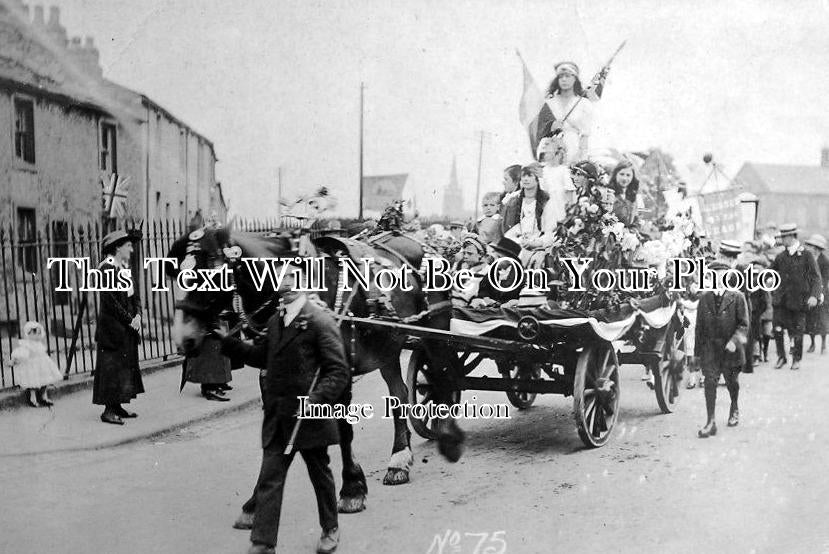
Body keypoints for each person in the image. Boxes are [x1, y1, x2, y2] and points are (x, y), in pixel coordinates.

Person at [218, 257, 349, 554]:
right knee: (270, 478)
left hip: (309, 418)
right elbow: (262, 357)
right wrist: (229, 344)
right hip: (278, 417)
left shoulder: (318, 320)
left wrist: (314, 401)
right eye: (281, 278)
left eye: (292, 277)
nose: (286, 283)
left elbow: (338, 371)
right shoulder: (275, 322)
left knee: (320, 475)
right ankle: (263, 543)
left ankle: (331, 528)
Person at [92, 230, 143, 425]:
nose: (131, 249)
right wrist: (130, 319)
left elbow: (134, 296)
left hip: (127, 327)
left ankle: (117, 406)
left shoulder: (124, 268)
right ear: (117, 248)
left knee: (123, 368)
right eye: (128, 245)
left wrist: (138, 315)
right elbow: (110, 301)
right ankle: (108, 411)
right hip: (113, 330)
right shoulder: (106, 268)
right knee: (111, 369)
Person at [695, 261, 749, 438]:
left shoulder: (738, 297)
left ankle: (734, 407)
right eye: (714, 275)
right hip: (711, 349)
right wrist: (696, 355)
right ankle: (710, 421)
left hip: (731, 349)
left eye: (722, 275)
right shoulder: (704, 299)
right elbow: (699, 329)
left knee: (732, 382)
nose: (718, 279)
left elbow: (744, 326)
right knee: (710, 382)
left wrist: (734, 341)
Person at [770, 223, 822, 370]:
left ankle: (796, 359)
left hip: (799, 301)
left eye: (784, 237)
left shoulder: (806, 255)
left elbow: (816, 278)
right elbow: (770, 272)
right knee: (778, 329)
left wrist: (814, 296)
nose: (782, 240)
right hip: (781, 301)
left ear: (791, 237)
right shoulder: (781, 256)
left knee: (798, 331)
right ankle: (781, 357)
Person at [544, 62, 593, 163]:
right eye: (561, 76)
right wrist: (552, 126)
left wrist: (582, 159)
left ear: (575, 78)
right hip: (552, 148)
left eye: (568, 76)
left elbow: (585, 135)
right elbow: (541, 129)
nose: (564, 79)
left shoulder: (583, 103)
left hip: (573, 147)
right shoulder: (550, 103)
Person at [501, 164, 557, 252]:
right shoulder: (513, 201)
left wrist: (535, 243)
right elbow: (507, 231)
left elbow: (550, 233)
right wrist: (519, 242)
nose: (526, 179)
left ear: (538, 179)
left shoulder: (546, 201)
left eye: (530, 175)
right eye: (523, 175)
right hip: (516, 246)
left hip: (539, 248)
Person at [10, 321, 63, 407]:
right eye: (34, 333)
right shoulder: (26, 344)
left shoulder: (40, 344)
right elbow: (20, 353)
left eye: (39, 333)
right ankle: (33, 398)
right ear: (28, 334)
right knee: (33, 383)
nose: (37, 336)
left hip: (43, 366)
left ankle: (44, 396)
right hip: (32, 367)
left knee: (45, 381)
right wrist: (13, 360)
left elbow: (43, 353)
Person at [475, 237, 523, 308]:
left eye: (499, 257)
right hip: (491, 309)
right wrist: (487, 299)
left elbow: (523, 299)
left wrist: (511, 303)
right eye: (496, 256)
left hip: (511, 312)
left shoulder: (521, 276)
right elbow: (483, 290)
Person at [804, 234, 829, 354]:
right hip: (810, 292)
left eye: (812, 246)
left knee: (822, 319)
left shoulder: (825, 261)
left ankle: (823, 344)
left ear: (817, 248)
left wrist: (821, 293)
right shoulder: (808, 258)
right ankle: (813, 343)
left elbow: (824, 279)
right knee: (810, 319)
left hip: (822, 293)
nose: (810, 248)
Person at [451, 236, 489, 307]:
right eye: (464, 253)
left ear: (480, 254)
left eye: (469, 253)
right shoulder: (460, 266)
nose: (465, 256)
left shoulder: (487, 271)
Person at [608, 160, 643, 226]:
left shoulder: (632, 196)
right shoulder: (608, 193)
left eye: (628, 175)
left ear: (632, 177)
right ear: (615, 174)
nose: (624, 178)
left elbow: (635, 220)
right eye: (622, 174)